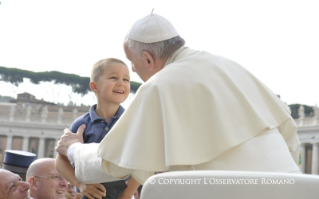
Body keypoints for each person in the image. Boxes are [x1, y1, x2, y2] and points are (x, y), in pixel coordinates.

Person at [56, 13, 300, 186]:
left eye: (133, 62)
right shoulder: (230, 67)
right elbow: (289, 134)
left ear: (149, 59)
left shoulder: (158, 87)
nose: (134, 69)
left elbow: (111, 164)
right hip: (293, 187)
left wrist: (74, 148)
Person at [55, 58, 140, 199]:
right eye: (113, 77)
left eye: (126, 80)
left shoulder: (134, 123)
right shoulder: (81, 124)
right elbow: (60, 160)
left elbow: (142, 164)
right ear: (94, 87)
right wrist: (80, 185)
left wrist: (125, 195)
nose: (121, 83)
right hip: (90, 193)